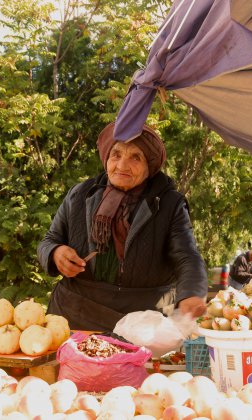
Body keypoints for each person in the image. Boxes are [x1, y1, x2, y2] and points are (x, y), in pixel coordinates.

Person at [37, 122, 208, 331]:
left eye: (135, 157)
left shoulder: (169, 204)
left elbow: (187, 255)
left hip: (141, 324)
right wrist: (56, 253)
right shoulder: (80, 194)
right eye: (116, 155)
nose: (122, 165)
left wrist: (192, 292)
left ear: (150, 166)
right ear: (107, 158)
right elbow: (49, 240)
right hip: (74, 313)